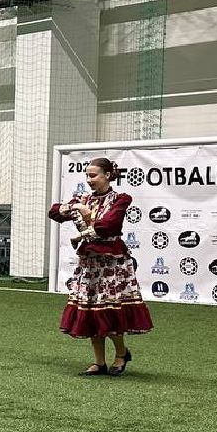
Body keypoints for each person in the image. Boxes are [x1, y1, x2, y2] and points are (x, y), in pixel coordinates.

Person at [48, 157, 153, 376]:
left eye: (93, 175)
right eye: (87, 175)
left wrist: (82, 233)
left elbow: (108, 225)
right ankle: (99, 362)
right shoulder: (83, 198)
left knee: (110, 309)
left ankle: (121, 353)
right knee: (90, 310)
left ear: (107, 175)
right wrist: (77, 207)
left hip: (112, 263)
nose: (89, 179)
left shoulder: (120, 199)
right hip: (90, 263)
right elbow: (55, 212)